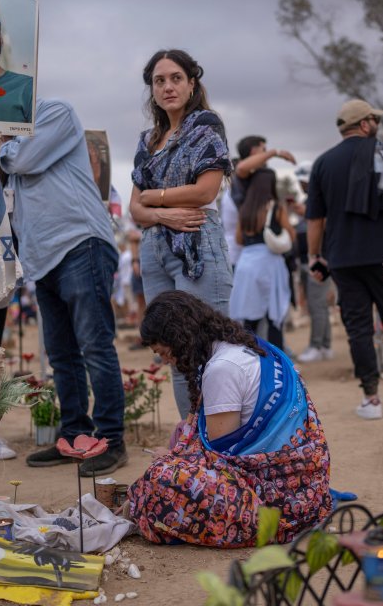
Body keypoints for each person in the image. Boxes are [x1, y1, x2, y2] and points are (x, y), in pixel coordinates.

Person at [0, 98, 127, 476]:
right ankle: (75, 435)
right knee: (62, 354)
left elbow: (23, 160)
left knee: (94, 345)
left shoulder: (53, 112)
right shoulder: (10, 139)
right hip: (43, 258)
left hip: (80, 241)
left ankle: (111, 440)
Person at [128, 291, 332, 547]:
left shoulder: (221, 369)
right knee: (183, 434)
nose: (167, 362)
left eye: (165, 352)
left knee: (160, 478)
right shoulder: (239, 344)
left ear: (179, 338)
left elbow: (220, 458)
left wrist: (171, 459)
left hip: (281, 499)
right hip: (307, 485)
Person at [128, 49, 234, 420]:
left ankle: (219, 444)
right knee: (172, 350)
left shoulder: (205, 126)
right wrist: (164, 215)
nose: (168, 87)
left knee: (207, 349)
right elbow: (134, 210)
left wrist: (155, 200)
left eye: (176, 78)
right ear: (152, 89)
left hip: (196, 243)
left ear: (192, 83)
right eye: (159, 81)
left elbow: (206, 191)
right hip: (156, 249)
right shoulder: (148, 140)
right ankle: (192, 441)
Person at [306, 99, 383, 420]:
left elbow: (315, 220)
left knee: (358, 329)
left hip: (343, 258)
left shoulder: (323, 163)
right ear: (365, 124)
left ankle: (371, 399)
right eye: (374, 121)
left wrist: (315, 256)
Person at [229, 143, 297, 348]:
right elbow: (291, 235)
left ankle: (250, 361)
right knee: (272, 317)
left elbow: (239, 239)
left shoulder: (244, 208)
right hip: (269, 263)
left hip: (246, 263)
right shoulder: (275, 207)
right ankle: (277, 362)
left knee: (250, 319)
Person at [292, 162, 335, 362]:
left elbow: (323, 224)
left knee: (317, 305)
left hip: (319, 258)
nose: (301, 185)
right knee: (319, 305)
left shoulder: (319, 199)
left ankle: (317, 345)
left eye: (303, 181)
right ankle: (324, 345)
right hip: (319, 257)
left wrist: (307, 213)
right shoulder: (315, 198)